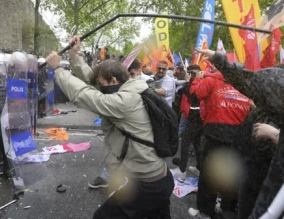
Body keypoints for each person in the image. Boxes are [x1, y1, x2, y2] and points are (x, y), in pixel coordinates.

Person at [46, 36, 174, 219]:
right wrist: (74, 56)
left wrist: (58, 69)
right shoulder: (132, 87)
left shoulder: (124, 102)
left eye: (103, 84)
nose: (100, 88)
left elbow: (84, 94)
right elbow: (94, 83)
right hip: (159, 179)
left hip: (147, 186)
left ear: (113, 80)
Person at [197, 49, 284, 219]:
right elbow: (248, 83)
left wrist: (276, 135)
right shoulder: (265, 103)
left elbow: (248, 82)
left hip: (262, 170)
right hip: (245, 158)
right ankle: (225, 208)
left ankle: (214, 209)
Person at [187, 67, 250, 219]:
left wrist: (198, 78)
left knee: (209, 173)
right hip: (239, 135)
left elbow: (197, 93)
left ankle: (205, 212)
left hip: (216, 132)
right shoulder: (244, 84)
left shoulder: (211, 79)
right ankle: (226, 209)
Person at [171, 65, 204, 180]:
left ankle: (181, 170)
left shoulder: (201, 83)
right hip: (198, 116)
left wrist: (187, 82)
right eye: (189, 73)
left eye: (193, 73)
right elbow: (181, 91)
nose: (190, 75)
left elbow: (192, 95)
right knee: (196, 143)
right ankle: (199, 168)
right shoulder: (197, 82)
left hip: (197, 116)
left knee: (185, 141)